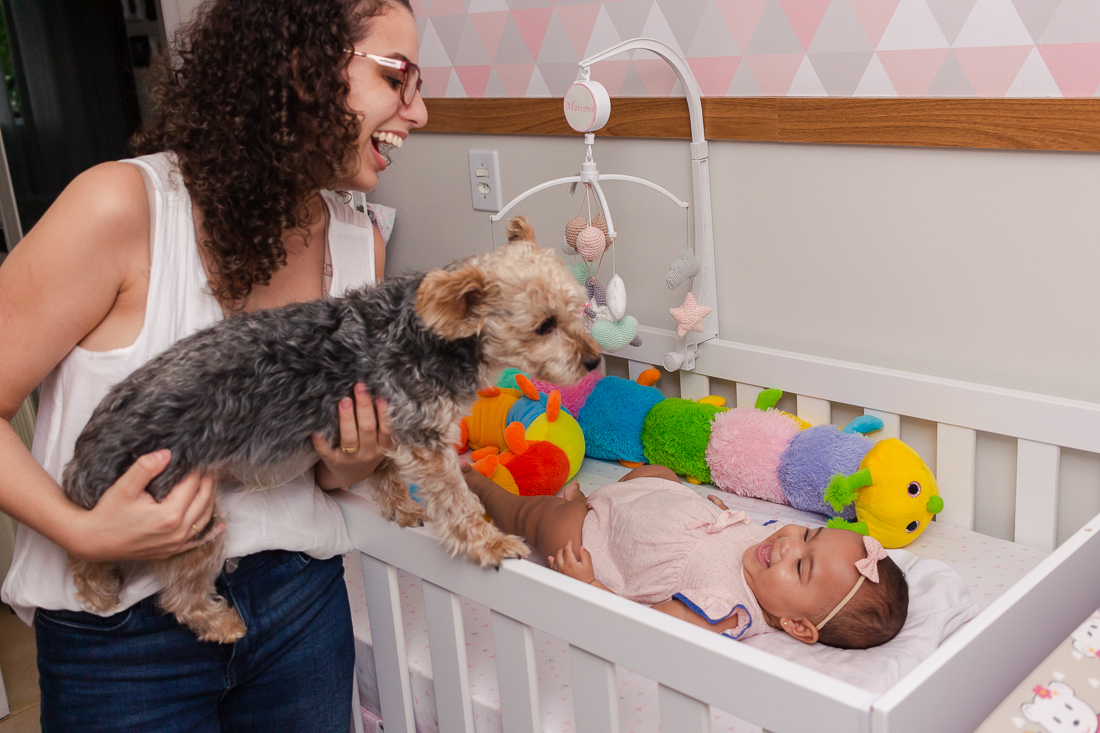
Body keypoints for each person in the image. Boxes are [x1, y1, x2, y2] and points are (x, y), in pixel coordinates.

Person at [0, 0, 426, 729]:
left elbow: (310, 466)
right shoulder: (122, 208)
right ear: (301, 68)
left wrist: (349, 464)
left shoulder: (358, 248)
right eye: (399, 78)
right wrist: (82, 532)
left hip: (300, 606)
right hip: (124, 634)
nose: (417, 113)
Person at [464, 464, 909, 649]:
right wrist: (716, 511)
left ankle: (481, 488)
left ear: (796, 625)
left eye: (800, 566)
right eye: (810, 533)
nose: (791, 544)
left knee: (537, 519)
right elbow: (735, 528)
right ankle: (589, 493)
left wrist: (589, 585)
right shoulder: (768, 548)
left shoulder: (726, 611)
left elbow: (647, 625)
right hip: (651, 499)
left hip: (598, 538)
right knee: (658, 472)